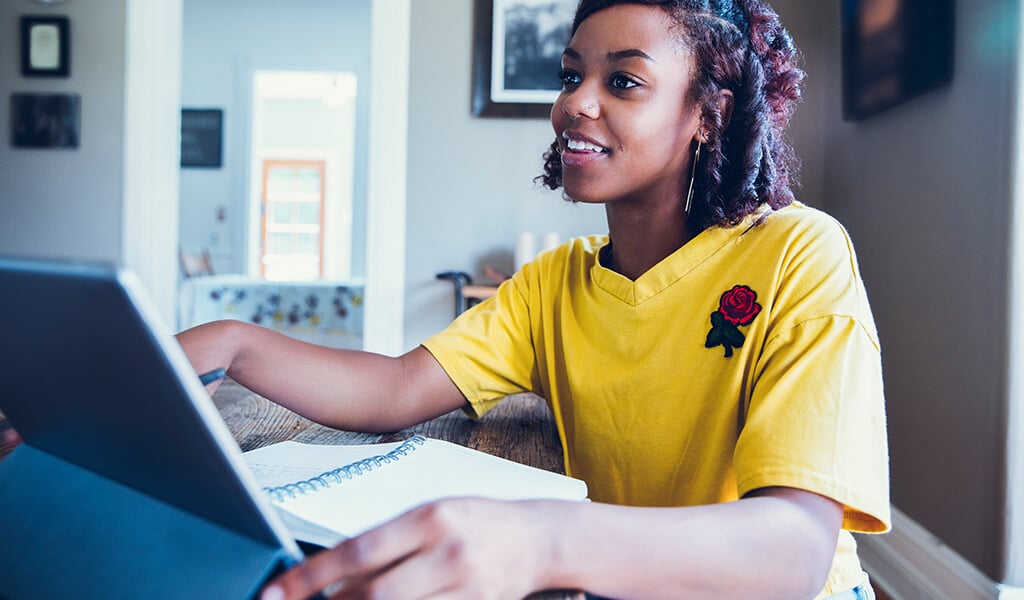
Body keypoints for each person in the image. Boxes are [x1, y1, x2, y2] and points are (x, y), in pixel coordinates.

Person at [178, 1, 890, 598]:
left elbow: (794, 550)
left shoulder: (800, 252)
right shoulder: (554, 284)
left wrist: (545, 539)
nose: (575, 102)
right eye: (572, 76)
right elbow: (396, 388)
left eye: (623, 81)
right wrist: (235, 343)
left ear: (709, 112)